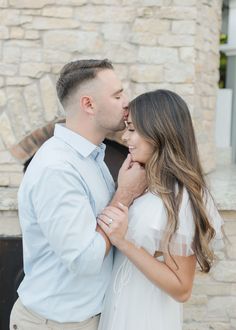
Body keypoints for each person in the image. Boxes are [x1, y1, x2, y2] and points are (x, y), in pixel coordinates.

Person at [10, 59, 146, 330]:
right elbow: (86, 259)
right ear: (88, 104)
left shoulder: (91, 156)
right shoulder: (57, 169)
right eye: (117, 95)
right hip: (55, 324)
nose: (126, 102)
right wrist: (125, 195)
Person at [97, 89, 224, 330]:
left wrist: (124, 242)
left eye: (132, 129)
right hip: (119, 305)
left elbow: (182, 288)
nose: (124, 137)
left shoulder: (181, 197)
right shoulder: (142, 183)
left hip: (146, 315)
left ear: (159, 132)